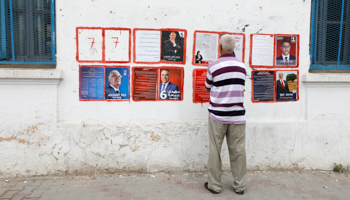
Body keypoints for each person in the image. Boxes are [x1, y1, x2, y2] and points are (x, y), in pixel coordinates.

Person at [204, 34, 247, 195]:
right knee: (238, 150)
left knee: (215, 149)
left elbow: (208, 87)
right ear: (233, 48)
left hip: (218, 115)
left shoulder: (214, 66)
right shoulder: (242, 67)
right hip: (237, 115)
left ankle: (214, 185)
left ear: (220, 48)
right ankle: (239, 186)